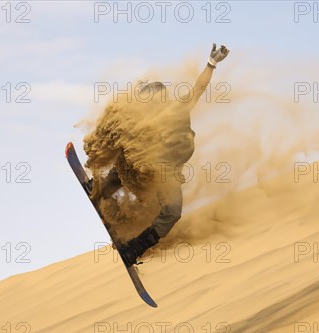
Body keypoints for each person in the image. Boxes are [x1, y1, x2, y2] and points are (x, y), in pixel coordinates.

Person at [89, 43, 230, 265]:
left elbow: (198, 88)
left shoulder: (177, 109)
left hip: (167, 173)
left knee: (172, 212)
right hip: (150, 166)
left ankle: (134, 249)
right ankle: (99, 188)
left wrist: (211, 64)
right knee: (132, 156)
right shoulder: (140, 121)